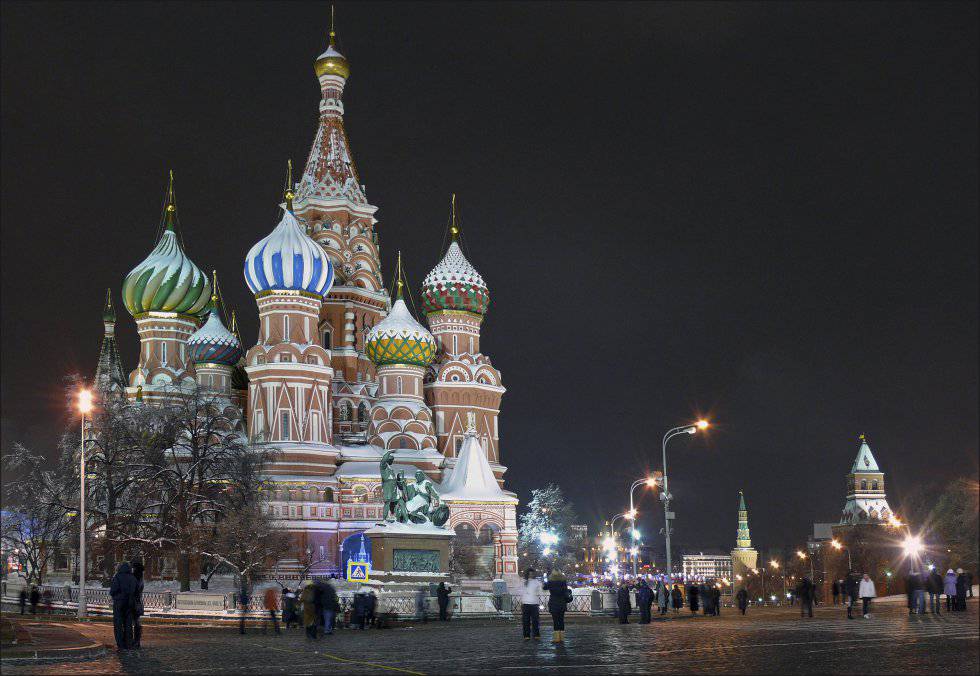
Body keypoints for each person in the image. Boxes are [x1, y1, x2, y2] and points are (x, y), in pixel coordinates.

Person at [109, 562, 137, 649]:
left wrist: (116, 596)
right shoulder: (133, 578)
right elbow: (136, 591)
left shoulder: (117, 577)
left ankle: (120, 643)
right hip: (129, 604)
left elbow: (113, 590)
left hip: (119, 603)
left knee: (118, 623)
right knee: (128, 623)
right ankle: (129, 643)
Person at [543, 569, 571, 643]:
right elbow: (565, 591)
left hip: (553, 603)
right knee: (561, 620)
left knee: (555, 621)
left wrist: (546, 580)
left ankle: (556, 638)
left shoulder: (550, 582)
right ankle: (562, 638)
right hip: (562, 602)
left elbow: (544, 587)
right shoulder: (563, 582)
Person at [520, 568, 543, 640]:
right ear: (527, 574)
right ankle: (526, 635)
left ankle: (536, 634)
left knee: (535, 620)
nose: (531, 575)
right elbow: (520, 591)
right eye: (529, 574)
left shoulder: (537, 582)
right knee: (526, 621)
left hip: (534, 604)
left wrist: (539, 597)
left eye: (532, 573)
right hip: (525, 604)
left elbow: (540, 592)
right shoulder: (523, 582)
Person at [131, 559, 145, 649]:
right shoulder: (141, 578)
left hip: (133, 602)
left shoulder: (134, 578)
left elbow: (133, 590)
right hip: (138, 603)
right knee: (136, 622)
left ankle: (133, 641)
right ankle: (137, 641)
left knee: (131, 622)